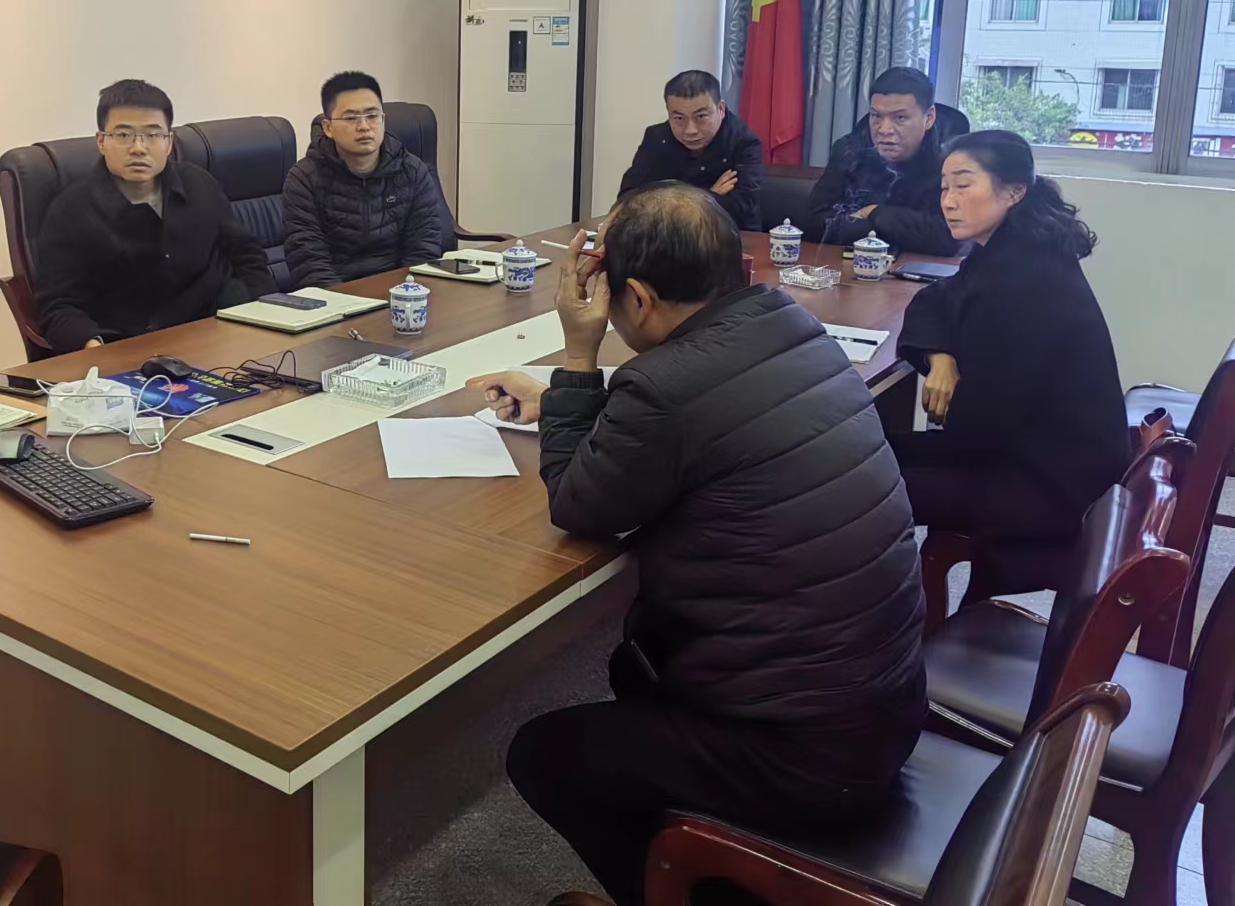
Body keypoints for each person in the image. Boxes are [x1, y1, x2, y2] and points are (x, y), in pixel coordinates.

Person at [467, 184, 925, 906]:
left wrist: (579, 353)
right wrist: (568, 399)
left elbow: (580, 504)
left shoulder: (662, 389)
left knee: (544, 753)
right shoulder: (793, 324)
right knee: (630, 669)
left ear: (637, 299)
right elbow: (711, 403)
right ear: (737, 268)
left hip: (803, 755)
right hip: (883, 703)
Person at [893, 130, 1129, 552]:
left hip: (1052, 486)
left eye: (963, 185)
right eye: (944, 187)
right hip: (1018, 451)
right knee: (869, 454)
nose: (948, 201)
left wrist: (931, 435)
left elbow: (980, 427)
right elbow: (938, 296)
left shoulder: (1026, 278)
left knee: (863, 484)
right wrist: (940, 358)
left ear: (1014, 191)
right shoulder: (1004, 249)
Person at [33, 79, 274, 353]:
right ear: (101, 141)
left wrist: (263, 318)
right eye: (123, 135)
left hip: (220, 334)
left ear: (168, 143)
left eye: (152, 135)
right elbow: (59, 305)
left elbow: (247, 256)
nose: (138, 148)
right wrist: (93, 346)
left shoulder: (199, 185)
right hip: (130, 351)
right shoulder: (70, 211)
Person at [282, 71, 445, 287]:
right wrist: (347, 303)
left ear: (383, 120)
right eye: (351, 118)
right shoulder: (304, 179)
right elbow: (308, 263)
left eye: (372, 116)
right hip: (334, 297)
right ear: (328, 128)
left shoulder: (412, 171)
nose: (364, 126)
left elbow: (423, 250)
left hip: (402, 294)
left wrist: (405, 295)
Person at [806, 65, 961, 255]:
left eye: (900, 118)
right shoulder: (850, 151)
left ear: (929, 118)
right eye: (876, 116)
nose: (884, 129)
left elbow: (949, 237)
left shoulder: (950, 161)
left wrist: (874, 212)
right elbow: (812, 223)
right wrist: (890, 229)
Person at [616, 69, 763, 229]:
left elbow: (742, 210)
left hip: (729, 234)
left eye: (701, 116)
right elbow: (627, 200)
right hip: (666, 233)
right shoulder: (657, 138)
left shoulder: (743, 142)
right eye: (679, 118)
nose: (690, 130)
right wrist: (705, 196)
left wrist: (665, 199)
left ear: (720, 109)